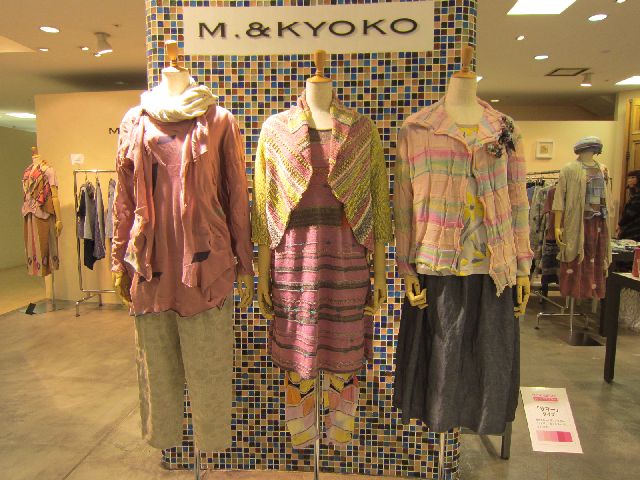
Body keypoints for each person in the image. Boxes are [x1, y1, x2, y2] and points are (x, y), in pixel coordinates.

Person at [617, 170, 640, 241]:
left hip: (634, 231)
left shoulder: (638, 196)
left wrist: (620, 224)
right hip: (632, 229)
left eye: (633, 177)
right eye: (629, 178)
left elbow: (630, 213)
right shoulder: (634, 195)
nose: (629, 180)